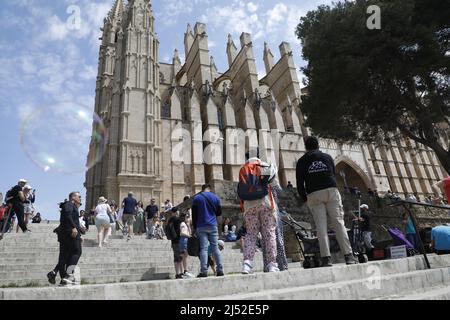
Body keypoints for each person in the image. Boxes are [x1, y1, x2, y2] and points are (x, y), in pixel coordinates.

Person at [296, 136, 357, 267]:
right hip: (331, 190)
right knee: (339, 223)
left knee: (321, 227)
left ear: (306, 147)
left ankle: (326, 258)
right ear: (318, 145)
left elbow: (300, 183)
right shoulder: (328, 157)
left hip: (314, 194)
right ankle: (349, 256)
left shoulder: (301, 161)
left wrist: (305, 198)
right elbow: (333, 173)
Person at [238, 150, 280, 274]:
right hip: (265, 203)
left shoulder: (243, 169)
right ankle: (272, 264)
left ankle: (247, 264)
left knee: (251, 234)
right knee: (269, 234)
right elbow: (275, 185)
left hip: (249, 206)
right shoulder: (265, 166)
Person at [47, 191, 84, 285]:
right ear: (73, 197)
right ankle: (68, 275)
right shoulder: (69, 204)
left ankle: (61, 278)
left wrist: (79, 229)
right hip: (70, 233)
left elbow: (67, 218)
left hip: (67, 233)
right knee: (77, 252)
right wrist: (74, 227)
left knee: (65, 257)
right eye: (79, 196)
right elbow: (68, 215)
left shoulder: (69, 205)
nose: (80, 198)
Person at [192, 184, 224, 278]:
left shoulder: (197, 198)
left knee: (204, 249)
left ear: (202, 190)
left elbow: (194, 214)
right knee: (215, 248)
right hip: (213, 225)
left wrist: (194, 228)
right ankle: (220, 270)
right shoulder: (215, 197)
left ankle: (204, 271)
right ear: (210, 189)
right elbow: (219, 213)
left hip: (201, 226)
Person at [165, 207, 183, 279]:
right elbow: (179, 231)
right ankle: (181, 273)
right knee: (180, 256)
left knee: (176, 257)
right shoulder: (177, 220)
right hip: (178, 240)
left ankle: (177, 273)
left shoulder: (170, 220)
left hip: (173, 240)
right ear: (176, 212)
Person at [179, 212, 194, 278]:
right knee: (184, 256)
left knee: (184, 256)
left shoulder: (185, 224)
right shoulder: (182, 224)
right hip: (183, 241)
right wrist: (189, 236)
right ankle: (185, 271)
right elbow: (182, 233)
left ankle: (184, 271)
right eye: (187, 217)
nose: (188, 218)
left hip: (185, 241)